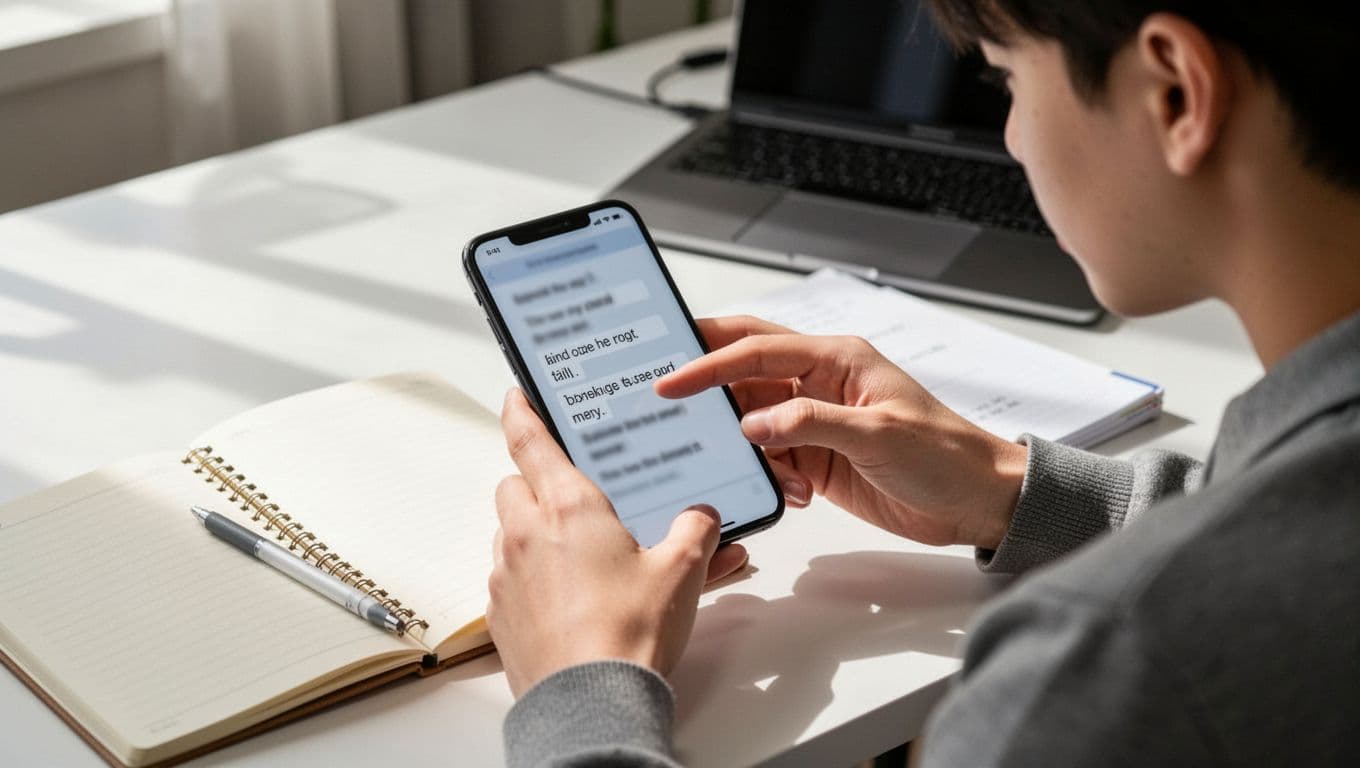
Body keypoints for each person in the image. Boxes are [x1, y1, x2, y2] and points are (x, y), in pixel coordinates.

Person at [485, 1, 1360, 765]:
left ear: (1175, 93)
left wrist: (581, 694)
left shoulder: (1110, 673)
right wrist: (1020, 491)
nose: (1011, 138)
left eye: (1006, 80)